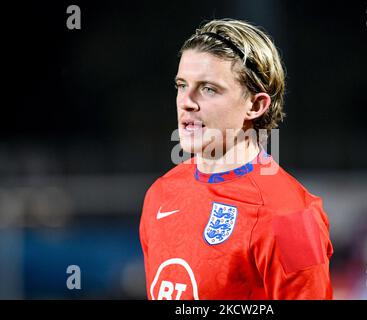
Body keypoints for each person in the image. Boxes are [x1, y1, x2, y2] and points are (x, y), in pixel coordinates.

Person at [139, 18, 333, 300]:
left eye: (208, 89)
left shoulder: (292, 218)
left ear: (255, 105)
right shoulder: (161, 194)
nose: (186, 101)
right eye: (182, 85)